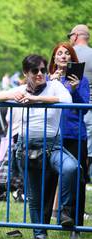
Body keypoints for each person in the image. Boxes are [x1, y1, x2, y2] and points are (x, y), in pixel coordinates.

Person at [0, 54, 77, 239]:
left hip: (52, 145)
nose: (40, 74)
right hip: (26, 147)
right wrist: (12, 96)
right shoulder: (20, 90)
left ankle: (65, 212)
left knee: (71, 168)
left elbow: (67, 99)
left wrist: (35, 99)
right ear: (25, 73)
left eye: (43, 70)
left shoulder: (55, 86)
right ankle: (40, 238)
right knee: (34, 196)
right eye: (35, 71)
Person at [48, 42, 90, 239]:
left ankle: (76, 226)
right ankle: (43, 225)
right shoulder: (47, 79)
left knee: (77, 180)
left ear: (72, 58)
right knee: (48, 179)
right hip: (52, 134)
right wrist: (50, 83)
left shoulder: (82, 80)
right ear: (54, 59)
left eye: (67, 53)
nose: (63, 56)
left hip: (74, 135)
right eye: (59, 54)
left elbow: (85, 106)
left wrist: (73, 89)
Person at [69, 25, 92, 183]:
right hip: (88, 105)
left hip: (69, 107)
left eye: (70, 35)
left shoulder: (67, 54)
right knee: (87, 147)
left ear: (76, 36)